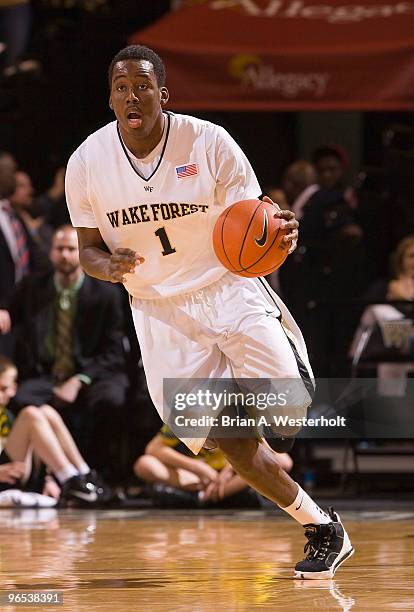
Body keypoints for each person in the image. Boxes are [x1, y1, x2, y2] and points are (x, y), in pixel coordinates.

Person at [65, 44, 354, 579]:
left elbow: (257, 218)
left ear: (162, 93)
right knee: (234, 444)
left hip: (229, 287)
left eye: (143, 84)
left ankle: (287, 385)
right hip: (158, 310)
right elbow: (86, 248)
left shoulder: (210, 140)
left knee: (285, 414)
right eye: (122, 86)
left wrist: (280, 232)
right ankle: (322, 528)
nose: (133, 94)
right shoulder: (86, 160)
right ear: (110, 98)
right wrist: (104, 266)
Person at [0, 225, 129, 470]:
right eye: (59, 249)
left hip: (89, 372)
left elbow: (113, 352)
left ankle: (104, 472)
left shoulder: (106, 294)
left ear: (81, 253)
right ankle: (39, 473)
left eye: (71, 249)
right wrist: (4, 313)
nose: (65, 255)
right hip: (46, 374)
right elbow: (11, 309)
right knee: (20, 397)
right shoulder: (34, 286)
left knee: (111, 399)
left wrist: (79, 380)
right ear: (51, 252)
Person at [0, 354, 107, 505]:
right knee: (30, 414)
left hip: (18, 470)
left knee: (45, 411)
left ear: (13, 388)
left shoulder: (7, 414)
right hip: (3, 476)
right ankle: (70, 481)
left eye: (4, 389)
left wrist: (48, 479)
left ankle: (84, 475)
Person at [134, 424, 293, 507]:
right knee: (145, 464)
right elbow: (153, 448)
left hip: (234, 476)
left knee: (282, 462)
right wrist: (197, 468)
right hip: (197, 477)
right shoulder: (184, 411)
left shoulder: (240, 411)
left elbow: (276, 455)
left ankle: (205, 498)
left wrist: (230, 470)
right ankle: (210, 496)